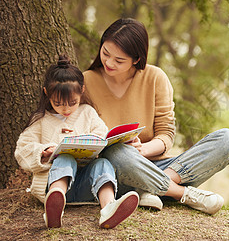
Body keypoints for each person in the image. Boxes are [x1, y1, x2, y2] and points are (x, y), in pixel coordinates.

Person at [84, 18, 229, 215]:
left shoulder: (155, 77)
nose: (109, 62)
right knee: (116, 152)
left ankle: (146, 189)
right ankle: (180, 193)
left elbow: (166, 134)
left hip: (157, 163)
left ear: (136, 59)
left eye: (119, 60)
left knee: (227, 140)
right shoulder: (86, 82)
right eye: (105, 53)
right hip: (116, 170)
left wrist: (142, 150)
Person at [15, 54, 139, 229]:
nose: (66, 109)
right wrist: (44, 150)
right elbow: (22, 149)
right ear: (46, 93)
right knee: (65, 158)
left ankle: (109, 208)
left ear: (81, 90)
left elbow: (102, 135)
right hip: (50, 185)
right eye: (58, 103)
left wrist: (82, 138)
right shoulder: (41, 119)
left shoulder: (87, 112)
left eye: (72, 103)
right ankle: (55, 202)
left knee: (102, 163)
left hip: (85, 187)